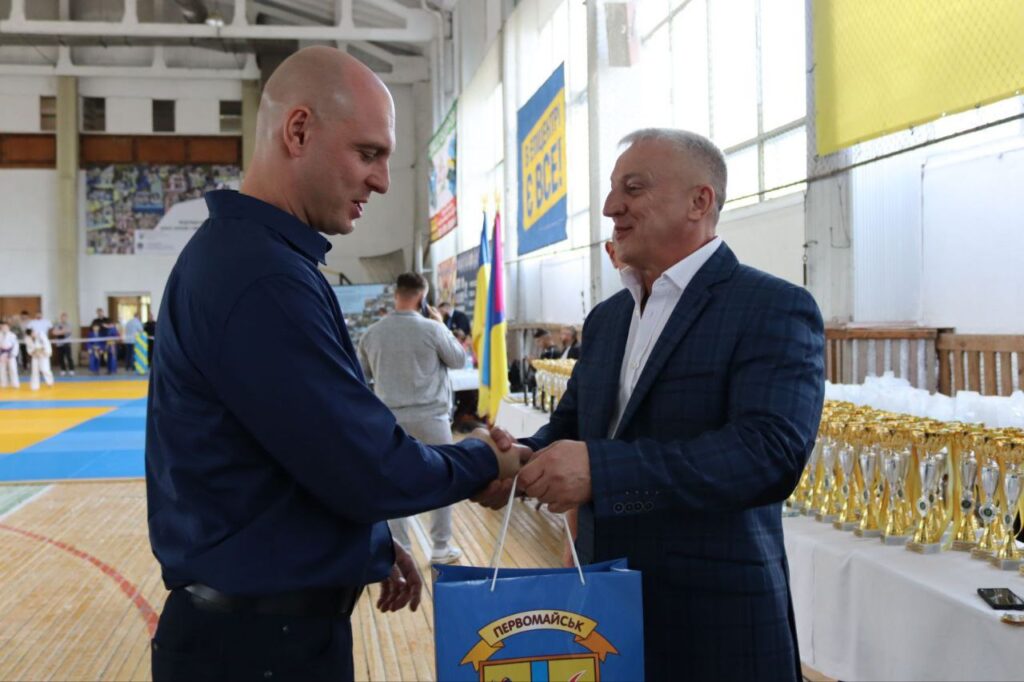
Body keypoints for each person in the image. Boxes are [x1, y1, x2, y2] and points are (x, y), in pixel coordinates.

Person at [145, 46, 529, 682]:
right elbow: (367, 467)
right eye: (368, 153)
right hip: (258, 652)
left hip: (260, 634)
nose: (382, 180)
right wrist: (487, 459)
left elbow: (293, 459)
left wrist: (367, 544)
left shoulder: (251, 259)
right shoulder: (262, 276)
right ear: (298, 131)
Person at [480, 128, 825, 681]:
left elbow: (768, 455)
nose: (610, 207)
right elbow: (572, 427)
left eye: (633, 188)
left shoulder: (771, 307)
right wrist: (516, 462)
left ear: (699, 201)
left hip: (713, 622)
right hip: (603, 611)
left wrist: (601, 472)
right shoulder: (609, 319)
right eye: (613, 188)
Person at [358, 272, 469, 564]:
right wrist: (441, 324)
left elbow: (360, 377)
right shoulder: (433, 329)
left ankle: (402, 549)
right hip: (432, 418)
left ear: (396, 295)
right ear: (422, 298)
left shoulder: (372, 333)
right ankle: (441, 547)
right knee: (445, 480)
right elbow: (458, 360)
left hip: (391, 421)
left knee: (395, 485)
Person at [0, 322, 20, 388]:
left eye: (5, 327)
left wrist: (12, 354)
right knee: (2, 369)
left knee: (13, 369)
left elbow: (16, 345)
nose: (4, 328)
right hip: (1, 354)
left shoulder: (12, 335)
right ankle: (3, 383)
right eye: (3, 327)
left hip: (11, 354)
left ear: (8, 328)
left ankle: (15, 383)